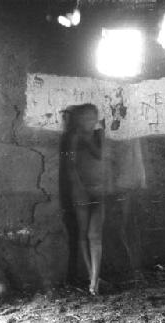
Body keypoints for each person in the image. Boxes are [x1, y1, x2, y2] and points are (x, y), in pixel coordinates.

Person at [63, 104, 105, 295]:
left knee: (95, 236)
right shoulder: (72, 137)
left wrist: (98, 135)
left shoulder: (95, 135)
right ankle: (90, 276)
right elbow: (70, 166)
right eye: (86, 119)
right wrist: (79, 190)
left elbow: (99, 155)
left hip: (97, 189)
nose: (91, 122)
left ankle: (95, 280)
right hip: (80, 191)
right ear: (79, 120)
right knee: (82, 234)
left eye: (93, 118)